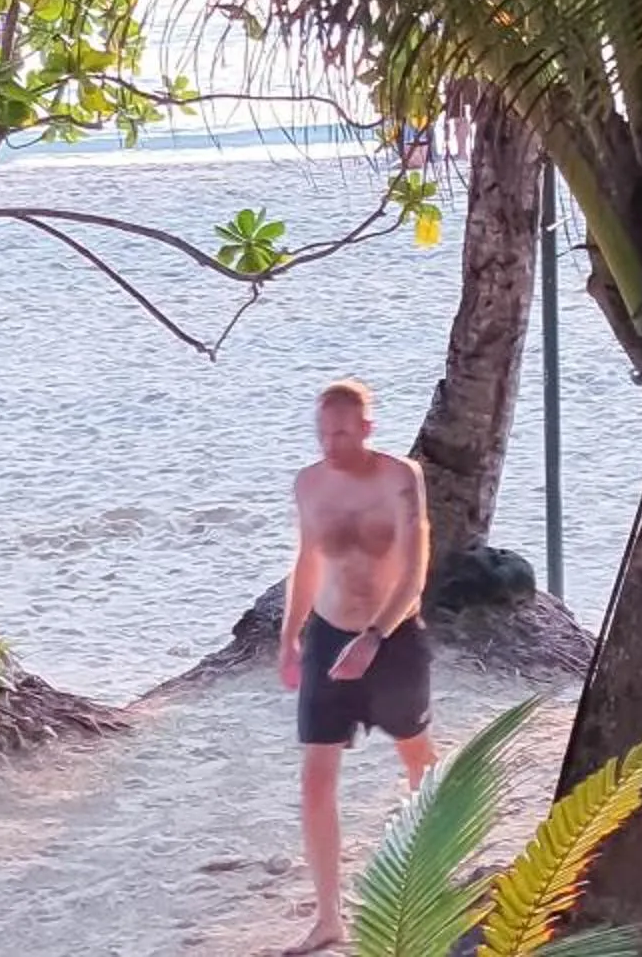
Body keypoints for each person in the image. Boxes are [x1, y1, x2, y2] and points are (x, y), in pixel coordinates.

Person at [279, 380, 435, 955]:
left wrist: (375, 637)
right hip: (327, 638)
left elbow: (417, 569)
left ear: (367, 428)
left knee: (418, 760)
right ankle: (328, 918)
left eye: (342, 431)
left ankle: (424, 887)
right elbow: (308, 561)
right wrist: (290, 636)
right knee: (316, 778)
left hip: (393, 639)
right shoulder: (309, 484)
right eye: (322, 432)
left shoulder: (400, 478)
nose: (330, 443)